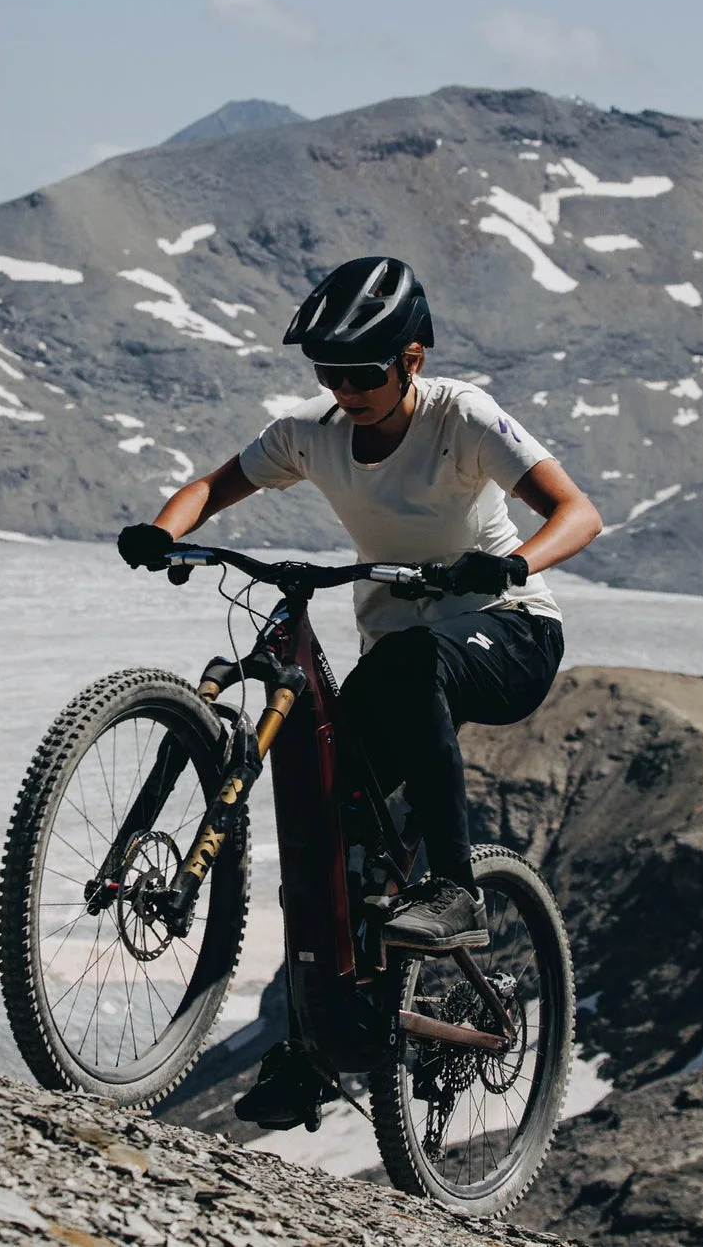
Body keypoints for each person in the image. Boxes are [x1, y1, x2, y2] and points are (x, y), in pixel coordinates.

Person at [114, 255, 602, 1128]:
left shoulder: (464, 418)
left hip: (512, 628)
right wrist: (164, 532)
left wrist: (517, 559)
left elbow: (578, 512)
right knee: (323, 829)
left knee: (415, 661)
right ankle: (315, 1049)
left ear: (411, 361)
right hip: (405, 654)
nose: (343, 390)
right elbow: (213, 486)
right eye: (328, 374)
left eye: (361, 374)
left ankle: (456, 888)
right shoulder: (313, 430)